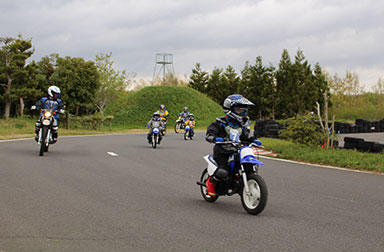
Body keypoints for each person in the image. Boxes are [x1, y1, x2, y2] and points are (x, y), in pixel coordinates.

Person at [205, 94, 258, 197]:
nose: (242, 113)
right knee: (222, 171)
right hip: (222, 150)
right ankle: (210, 183)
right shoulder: (220, 122)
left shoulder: (242, 125)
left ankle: (242, 183)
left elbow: (244, 138)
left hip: (237, 150)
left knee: (248, 166)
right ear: (229, 109)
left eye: (244, 110)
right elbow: (211, 132)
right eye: (239, 110)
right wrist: (213, 137)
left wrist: (253, 140)